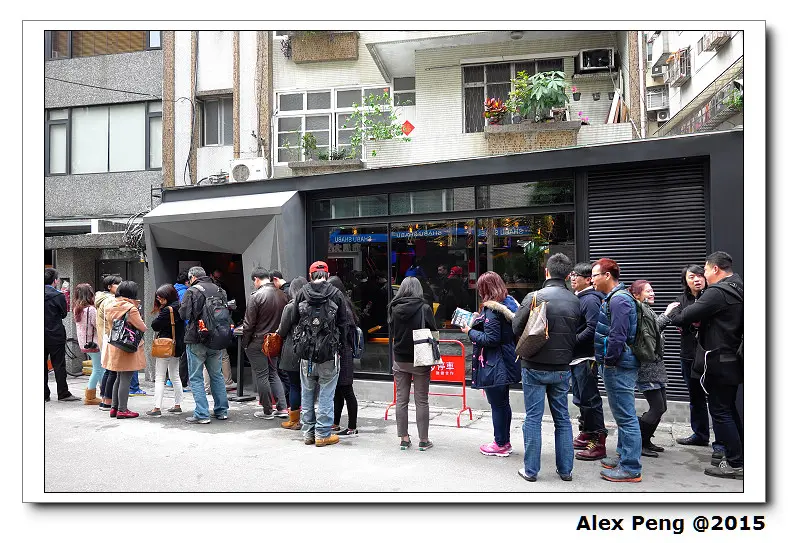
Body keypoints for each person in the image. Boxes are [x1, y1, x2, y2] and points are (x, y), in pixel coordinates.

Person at [666, 251, 744, 480]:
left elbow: (683, 317)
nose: (704, 275)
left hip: (718, 360)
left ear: (715, 269)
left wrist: (673, 311)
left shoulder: (718, 292)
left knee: (720, 412)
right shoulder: (739, 287)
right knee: (728, 409)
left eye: (706, 270)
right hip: (732, 358)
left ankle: (735, 464)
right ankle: (739, 456)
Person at [511, 254, 580, 482]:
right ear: (568, 275)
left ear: (546, 272)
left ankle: (531, 470)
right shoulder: (575, 300)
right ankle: (566, 470)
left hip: (533, 366)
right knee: (562, 419)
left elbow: (515, 326)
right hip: (562, 367)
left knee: (533, 418)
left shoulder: (534, 297)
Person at [591, 258, 642, 483]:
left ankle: (630, 467)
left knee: (626, 415)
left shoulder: (619, 300)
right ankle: (623, 456)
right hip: (618, 364)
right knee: (622, 414)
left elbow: (618, 336)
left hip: (618, 365)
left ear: (607, 276)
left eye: (594, 275)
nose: (592, 280)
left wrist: (609, 361)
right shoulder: (616, 297)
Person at [461, 271, 520, 458]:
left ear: (486, 289)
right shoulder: (509, 303)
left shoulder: (492, 310)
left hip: (496, 363)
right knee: (504, 403)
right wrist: (480, 320)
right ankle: (505, 441)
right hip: (508, 359)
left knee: (498, 405)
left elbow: (492, 338)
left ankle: (500, 443)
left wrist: (470, 331)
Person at [292, 261, 350, 447]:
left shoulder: (302, 292)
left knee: (307, 392)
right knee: (326, 392)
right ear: (328, 274)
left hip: (306, 352)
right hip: (328, 352)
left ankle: (308, 433)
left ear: (310, 275)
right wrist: (340, 347)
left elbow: (294, 320)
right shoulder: (336, 293)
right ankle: (322, 433)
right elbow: (343, 323)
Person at [671, 265, 723, 459]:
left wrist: (688, 319)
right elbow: (673, 317)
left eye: (700, 275)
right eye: (692, 276)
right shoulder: (681, 300)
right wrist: (689, 321)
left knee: (718, 401)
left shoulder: (713, 296)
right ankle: (700, 435)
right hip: (689, 355)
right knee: (696, 398)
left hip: (710, 355)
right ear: (685, 280)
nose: (697, 279)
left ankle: (722, 443)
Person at [389, 276, 438, 450]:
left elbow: (393, 331)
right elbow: (433, 331)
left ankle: (404, 438)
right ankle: (423, 441)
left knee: (401, 400)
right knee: (421, 401)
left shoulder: (394, 308)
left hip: (400, 359)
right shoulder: (424, 308)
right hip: (420, 358)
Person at [179, 266, 230, 424]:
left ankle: (202, 414)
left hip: (197, 339)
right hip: (217, 339)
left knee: (196, 377)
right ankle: (222, 411)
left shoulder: (193, 291)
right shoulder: (220, 290)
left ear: (192, 277)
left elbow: (184, 314)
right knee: (217, 375)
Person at [569, 263, 608, 461]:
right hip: (576, 358)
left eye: (578, 275)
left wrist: (571, 341)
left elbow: (592, 329)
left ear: (588, 279)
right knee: (580, 398)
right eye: (572, 274)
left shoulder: (591, 299)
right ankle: (586, 432)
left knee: (590, 399)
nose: (573, 278)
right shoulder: (580, 298)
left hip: (586, 357)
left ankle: (598, 440)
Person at [629, 280, 671, 458]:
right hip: (647, 367)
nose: (652, 293)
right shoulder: (639, 311)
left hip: (656, 366)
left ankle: (645, 440)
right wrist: (668, 313)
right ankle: (639, 442)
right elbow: (650, 334)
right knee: (657, 407)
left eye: (652, 290)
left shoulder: (648, 310)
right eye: (648, 291)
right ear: (637, 295)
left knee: (662, 407)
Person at [242, 267, 289, 420]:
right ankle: (282, 408)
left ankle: (267, 410)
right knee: (273, 373)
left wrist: (245, 343)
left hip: (258, 341)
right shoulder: (282, 294)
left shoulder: (256, 296)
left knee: (262, 375)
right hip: (275, 340)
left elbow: (248, 325)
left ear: (256, 279)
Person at [104, 281, 147, 419]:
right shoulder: (130, 308)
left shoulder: (109, 305)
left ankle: (114, 408)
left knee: (118, 377)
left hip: (115, 345)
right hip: (127, 346)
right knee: (126, 378)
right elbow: (142, 327)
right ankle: (122, 410)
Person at [328, 275, 360, 437]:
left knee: (346, 390)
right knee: (338, 391)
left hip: (344, 353)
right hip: (342, 352)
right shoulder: (344, 304)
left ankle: (352, 427)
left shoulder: (343, 307)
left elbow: (346, 331)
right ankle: (335, 423)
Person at [147, 284, 186, 417]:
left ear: (167, 297)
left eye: (160, 298)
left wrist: (161, 312)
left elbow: (155, 325)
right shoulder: (180, 306)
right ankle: (177, 405)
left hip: (165, 345)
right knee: (175, 375)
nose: (159, 300)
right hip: (177, 345)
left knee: (160, 377)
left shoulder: (167, 310)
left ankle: (157, 408)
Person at [276, 276, 308, 430]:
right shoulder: (312, 305)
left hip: (292, 350)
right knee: (308, 386)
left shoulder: (290, 307)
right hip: (310, 350)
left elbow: (282, 331)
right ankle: (309, 419)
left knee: (294, 385)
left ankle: (294, 420)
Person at [44, 268, 80, 402]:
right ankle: (63, 393)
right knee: (59, 364)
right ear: (55, 281)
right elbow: (64, 314)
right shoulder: (58, 295)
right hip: (55, 333)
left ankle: (44, 394)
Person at [73, 283, 103, 405]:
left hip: (84, 343)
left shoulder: (77, 308)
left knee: (99, 369)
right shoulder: (91, 310)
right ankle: (90, 397)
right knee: (98, 370)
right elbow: (98, 325)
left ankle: (104, 393)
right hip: (94, 343)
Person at [96, 275, 122, 410]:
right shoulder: (110, 301)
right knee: (112, 370)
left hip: (105, 338)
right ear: (109, 287)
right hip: (110, 337)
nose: (121, 286)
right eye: (118, 284)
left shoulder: (102, 299)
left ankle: (104, 398)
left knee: (108, 370)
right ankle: (107, 401)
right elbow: (113, 319)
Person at [174, 271, 191, 390]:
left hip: (175, 326)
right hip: (184, 327)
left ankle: (172, 379)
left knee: (175, 354)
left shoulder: (172, 290)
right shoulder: (185, 292)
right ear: (187, 282)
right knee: (185, 355)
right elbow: (186, 313)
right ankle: (182, 381)